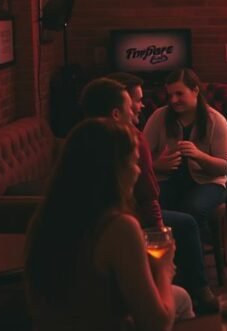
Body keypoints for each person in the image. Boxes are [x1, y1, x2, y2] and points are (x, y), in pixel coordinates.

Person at [25, 118, 193, 331]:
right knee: (180, 300)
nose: (138, 171)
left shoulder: (43, 219)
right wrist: (163, 270)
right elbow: (158, 328)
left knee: (180, 298)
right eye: (135, 162)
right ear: (115, 169)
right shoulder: (119, 227)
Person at [82, 77, 219, 315]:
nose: (141, 106)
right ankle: (199, 289)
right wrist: (160, 246)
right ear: (116, 113)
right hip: (131, 217)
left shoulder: (79, 140)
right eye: (135, 101)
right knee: (187, 223)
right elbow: (148, 195)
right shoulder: (131, 139)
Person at [142, 68, 227, 265]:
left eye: (179, 94)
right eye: (170, 95)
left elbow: (224, 167)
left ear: (195, 91)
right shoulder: (159, 117)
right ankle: (175, 260)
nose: (173, 100)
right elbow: (141, 157)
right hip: (168, 179)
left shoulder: (215, 120)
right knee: (149, 207)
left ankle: (192, 266)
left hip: (206, 180)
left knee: (193, 208)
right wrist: (157, 165)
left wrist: (198, 155)